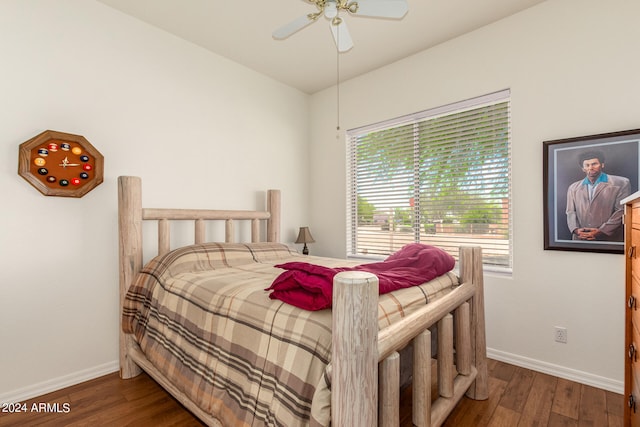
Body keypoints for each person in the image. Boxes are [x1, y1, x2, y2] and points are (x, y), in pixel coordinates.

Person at [566, 150, 631, 241]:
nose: (591, 168)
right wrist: (576, 230)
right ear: (583, 168)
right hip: (580, 239)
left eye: (594, 164)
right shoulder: (573, 187)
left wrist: (601, 231)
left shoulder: (621, 183)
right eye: (587, 165)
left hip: (608, 240)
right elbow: (570, 212)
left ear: (602, 164)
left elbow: (621, 211)